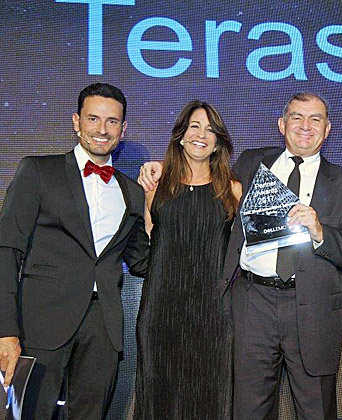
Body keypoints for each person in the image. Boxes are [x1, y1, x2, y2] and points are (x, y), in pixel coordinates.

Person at [139, 92, 342, 419]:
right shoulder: (251, 163)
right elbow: (204, 174)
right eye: (297, 117)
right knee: (249, 410)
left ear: (328, 129)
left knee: (316, 410)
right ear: (281, 124)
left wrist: (321, 231)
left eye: (315, 119)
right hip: (252, 305)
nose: (305, 126)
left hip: (312, 310)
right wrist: (161, 168)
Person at [0, 83, 149, 418]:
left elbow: (143, 261)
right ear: (76, 122)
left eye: (112, 121)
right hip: (40, 326)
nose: (102, 129)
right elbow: (6, 251)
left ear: (123, 129)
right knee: (26, 414)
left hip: (103, 329)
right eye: (93, 118)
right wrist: (5, 331)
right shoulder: (38, 171)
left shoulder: (131, 191)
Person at [133, 101, 242, 419]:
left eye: (210, 129)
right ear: (181, 135)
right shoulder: (156, 186)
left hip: (213, 315)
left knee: (209, 398)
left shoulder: (233, 190)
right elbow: (147, 244)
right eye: (194, 126)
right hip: (161, 311)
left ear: (218, 142)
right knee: (159, 396)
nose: (201, 135)